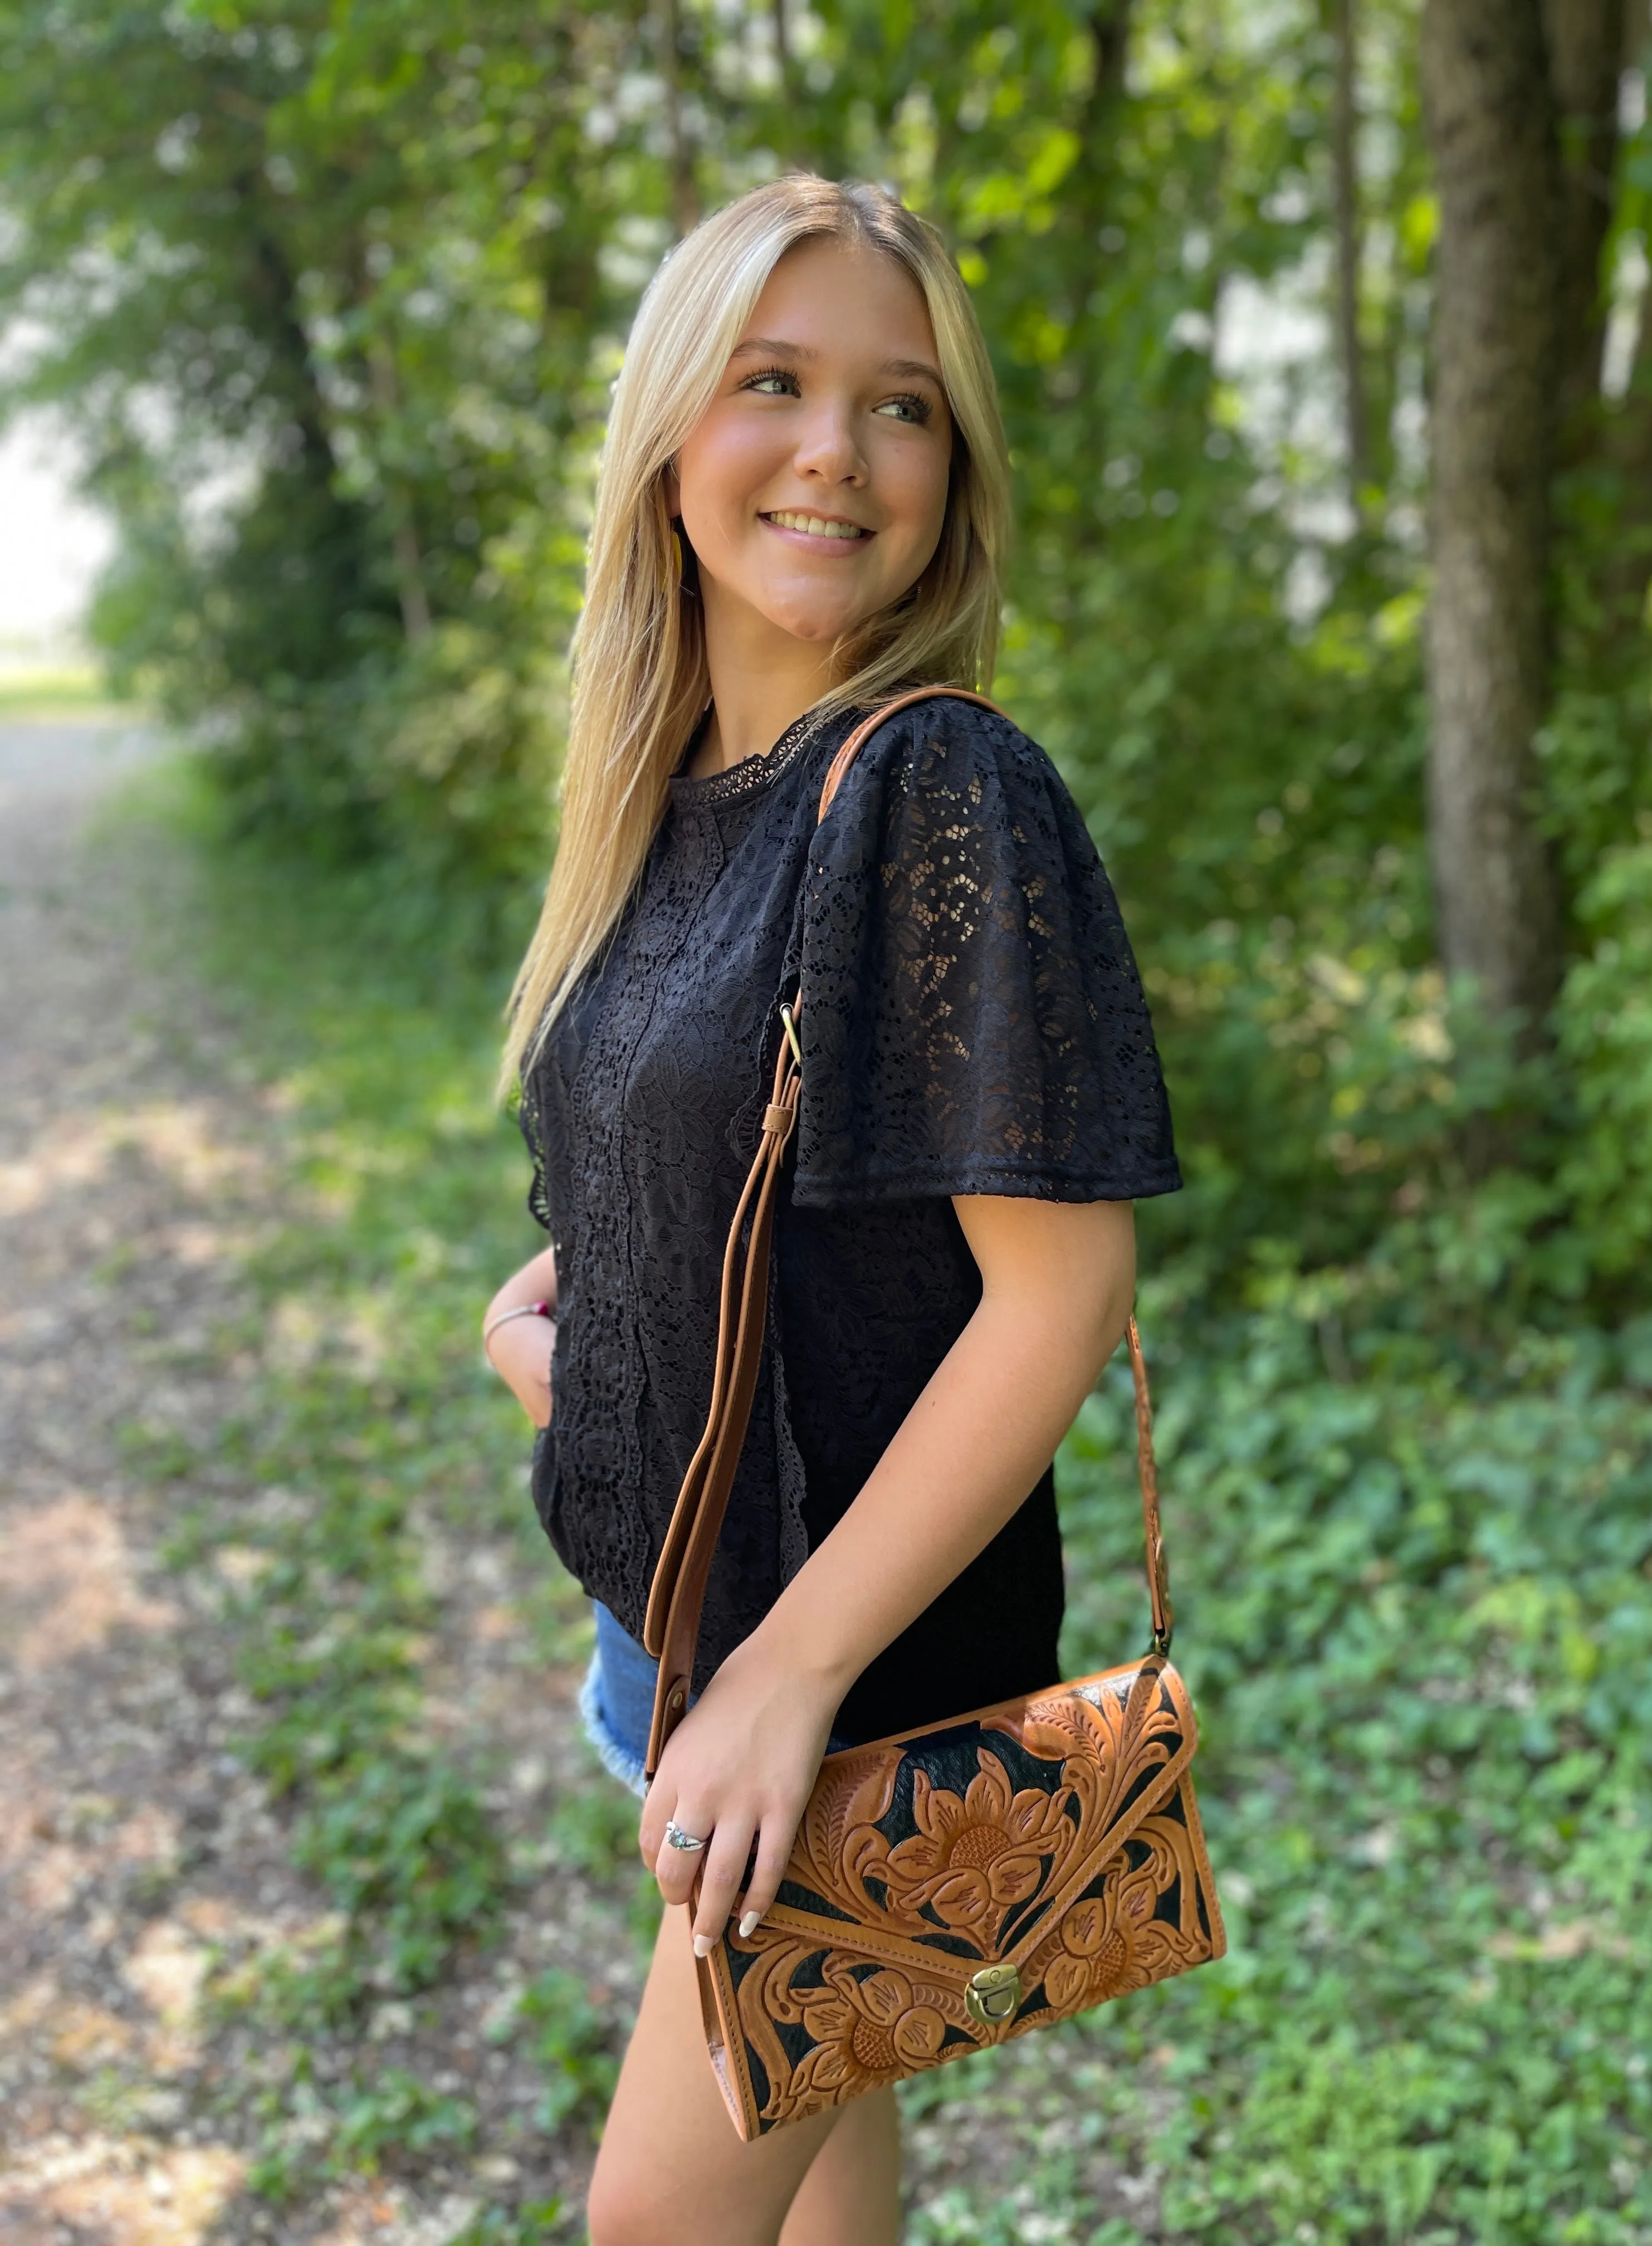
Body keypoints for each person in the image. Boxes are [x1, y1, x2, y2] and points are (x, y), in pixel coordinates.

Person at [481, 173, 1181, 2246]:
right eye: (773, 382)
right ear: (672, 429)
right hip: (680, 1634)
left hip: (845, 1683)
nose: (836, 451)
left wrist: (788, 1678)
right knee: (821, 2150)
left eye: (902, 407)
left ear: (951, 472)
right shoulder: (672, 793)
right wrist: (559, 1339)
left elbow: (1057, 1302)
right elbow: (693, 1174)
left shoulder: (944, 791)